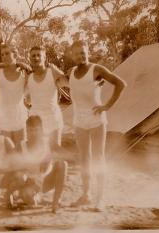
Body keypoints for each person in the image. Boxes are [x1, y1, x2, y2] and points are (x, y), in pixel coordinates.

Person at [66, 40, 126, 211]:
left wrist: (107, 106)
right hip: (79, 121)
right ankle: (86, 195)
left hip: (96, 120)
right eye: (77, 53)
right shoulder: (71, 72)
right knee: (84, 158)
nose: (81, 55)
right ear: (72, 55)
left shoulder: (97, 69)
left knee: (98, 158)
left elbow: (121, 84)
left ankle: (99, 199)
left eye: (83, 52)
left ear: (88, 52)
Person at [18, 115, 67, 213]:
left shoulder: (48, 142)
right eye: (30, 130)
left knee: (62, 164)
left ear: (41, 130)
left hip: (46, 181)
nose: (33, 133)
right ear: (26, 131)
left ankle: (55, 203)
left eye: (36, 130)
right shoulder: (21, 145)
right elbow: (9, 162)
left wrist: (49, 157)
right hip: (30, 183)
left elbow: (65, 154)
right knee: (28, 198)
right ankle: (34, 197)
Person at [26, 45, 65, 150]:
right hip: (36, 122)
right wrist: (27, 106)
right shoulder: (28, 78)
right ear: (30, 59)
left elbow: (68, 82)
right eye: (33, 56)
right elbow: (26, 98)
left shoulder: (52, 72)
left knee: (55, 152)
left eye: (39, 55)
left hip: (53, 118)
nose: (36, 58)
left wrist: (57, 71)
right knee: (38, 154)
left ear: (44, 58)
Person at [0, 43, 27, 153]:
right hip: (3, 116)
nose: (4, 56)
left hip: (19, 115)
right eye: (3, 54)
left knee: (20, 149)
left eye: (7, 53)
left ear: (15, 54)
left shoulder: (24, 73)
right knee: (6, 151)